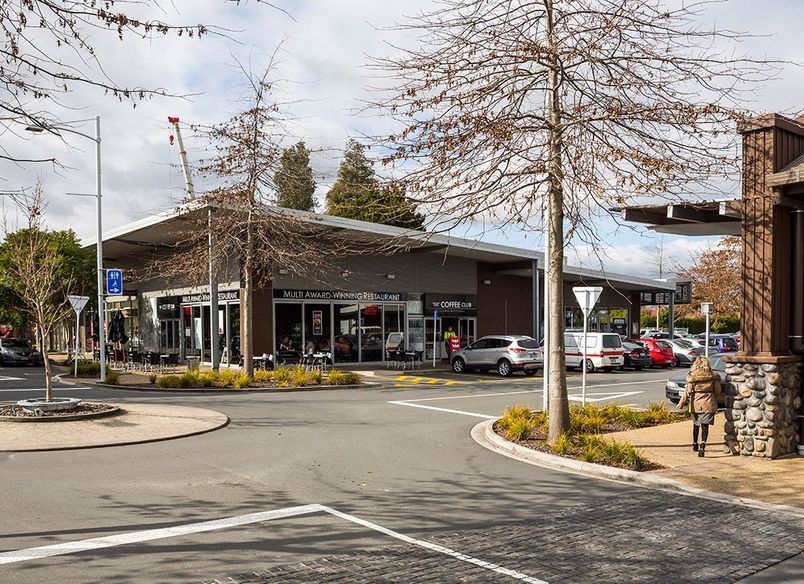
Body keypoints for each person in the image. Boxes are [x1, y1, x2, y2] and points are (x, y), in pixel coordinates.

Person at [678, 356, 722, 457]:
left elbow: (688, 392)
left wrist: (681, 403)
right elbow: (718, 391)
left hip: (696, 403)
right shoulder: (713, 376)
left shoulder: (692, 377)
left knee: (696, 424)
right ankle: (703, 445)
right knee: (705, 425)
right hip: (709, 403)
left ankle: (694, 444)